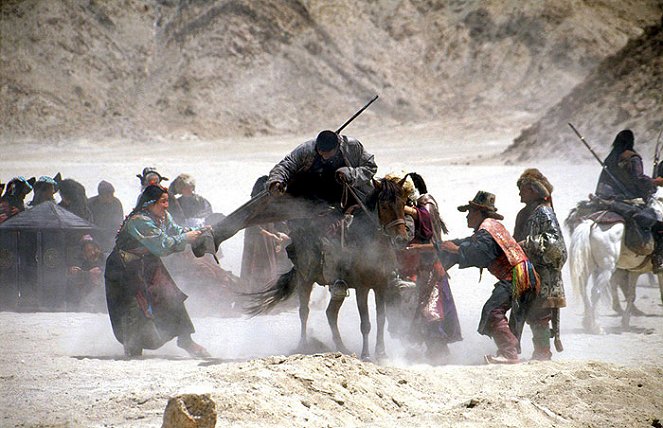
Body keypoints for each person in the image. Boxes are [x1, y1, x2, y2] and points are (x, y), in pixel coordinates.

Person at [265, 129, 377, 298]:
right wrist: (276, 180)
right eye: (320, 152)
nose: (323, 156)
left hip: (348, 198)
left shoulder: (352, 147)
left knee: (371, 228)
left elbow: (371, 167)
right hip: (312, 201)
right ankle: (329, 278)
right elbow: (285, 165)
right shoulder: (307, 149)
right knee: (310, 239)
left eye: (327, 153)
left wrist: (351, 173)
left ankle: (388, 274)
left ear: (337, 147)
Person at [104, 184, 210, 358]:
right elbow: (161, 246)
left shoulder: (162, 216)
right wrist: (186, 238)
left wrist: (197, 232)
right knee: (133, 308)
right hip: (124, 268)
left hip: (148, 263)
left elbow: (175, 231)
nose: (166, 206)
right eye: (163, 202)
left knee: (171, 296)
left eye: (167, 201)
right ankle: (133, 348)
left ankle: (186, 340)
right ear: (150, 203)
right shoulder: (139, 220)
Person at [439, 191, 539, 364]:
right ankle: (509, 351)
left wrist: (454, 250)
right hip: (522, 275)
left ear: (479, 212)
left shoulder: (486, 231)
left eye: (470, 212)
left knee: (493, 311)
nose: (468, 216)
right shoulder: (490, 227)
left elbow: (479, 253)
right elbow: (468, 242)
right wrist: (440, 246)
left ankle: (509, 354)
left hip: (516, 277)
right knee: (498, 311)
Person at [393, 172, 462, 363]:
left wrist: (404, 208)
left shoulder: (426, 202)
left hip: (430, 266)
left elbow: (427, 222)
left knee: (432, 310)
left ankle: (439, 353)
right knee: (418, 310)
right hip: (417, 267)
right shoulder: (414, 206)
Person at [513, 169, 567, 361]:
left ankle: (543, 352)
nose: (519, 193)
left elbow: (555, 242)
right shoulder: (524, 213)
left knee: (541, 314)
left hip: (544, 272)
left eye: (523, 189)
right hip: (526, 270)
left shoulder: (544, 212)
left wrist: (527, 244)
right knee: (527, 312)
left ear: (534, 191)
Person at [594, 129, 663, 271]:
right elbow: (639, 179)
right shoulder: (633, 157)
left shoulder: (611, 157)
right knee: (656, 221)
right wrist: (656, 181)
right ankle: (658, 258)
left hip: (603, 197)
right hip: (621, 200)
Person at [240, 176, 291, 292]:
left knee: (269, 268)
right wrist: (272, 236)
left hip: (267, 241)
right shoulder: (254, 207)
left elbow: (274, 225)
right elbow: (254, 227)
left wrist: (278, 234)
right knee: (256, 268)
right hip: (258, 242)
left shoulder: (270, 207)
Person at [67, 235, 106, 312]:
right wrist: (77, 272)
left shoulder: (105, 258)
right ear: (84, 253)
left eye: (93, 249)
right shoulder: (85, 263)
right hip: (89, 300)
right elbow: (79, 276)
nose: (92, 252)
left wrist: (98, 273)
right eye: (88, 251)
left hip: (104, 297)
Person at [88, 180, 125, 253]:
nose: (110, 197)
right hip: (95, 234)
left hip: (111, 234)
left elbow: (119, 221)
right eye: (108, 195)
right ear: (101, 195)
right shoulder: (90, 203)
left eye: (112, 194)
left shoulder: (116, 203)